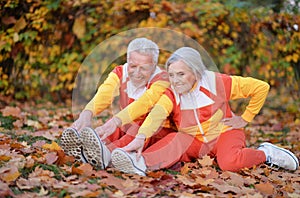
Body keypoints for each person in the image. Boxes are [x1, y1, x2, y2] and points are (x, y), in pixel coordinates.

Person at [109, 47, 299, 176]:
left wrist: (245, 118)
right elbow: (157, 114)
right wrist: (141, 136)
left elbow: (261, 87)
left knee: (229, 163)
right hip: (194, 141)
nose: (175, 80)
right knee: (173, 140)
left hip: (224, 134)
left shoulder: (216, 83)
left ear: (196, 72)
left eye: (181, 74)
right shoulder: (172, 92)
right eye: (172, 75)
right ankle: (139, 163)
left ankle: (266, 154)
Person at [60, 38, 174, 169]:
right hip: (127, 123)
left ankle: (106, 154)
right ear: (127, 60)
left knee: (131, 126)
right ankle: (89, 147)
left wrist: (115, 121)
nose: (137, 73)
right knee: (112, 128)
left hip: (153, 130)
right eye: (133, 66)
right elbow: (104, 94)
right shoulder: (120, 72)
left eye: (143, 68)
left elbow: (145, 103)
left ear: (154, 66)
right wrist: (87, 114)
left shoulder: (162, 78)